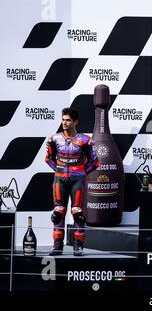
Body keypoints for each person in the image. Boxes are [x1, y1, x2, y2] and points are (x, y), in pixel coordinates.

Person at [45, 107, 99, 256]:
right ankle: (57, 246)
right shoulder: (54, 139)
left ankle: (78, 246)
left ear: (75, 122)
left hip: (78, 181)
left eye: (68, 120)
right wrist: (59, 170)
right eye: (63, 119)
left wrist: (81, 172)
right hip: (59, 180)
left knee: (78, 213)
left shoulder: (85, 140)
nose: (65, 123)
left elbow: (95, 162)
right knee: (58, 213)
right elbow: (48, 159)